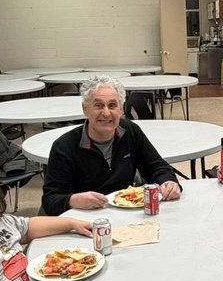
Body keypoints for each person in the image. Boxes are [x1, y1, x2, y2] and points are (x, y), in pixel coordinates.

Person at [42, 74, 182, 216]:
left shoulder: (130, 131)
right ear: (85, 109)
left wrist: (168, 182)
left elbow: (156, 166)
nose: (106, 113)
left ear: (121, 110)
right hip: (84, 219)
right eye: (98, 105)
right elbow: (50, 201)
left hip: (126, 214)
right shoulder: (64, 147)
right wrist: (73, 200)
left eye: (112, 105)